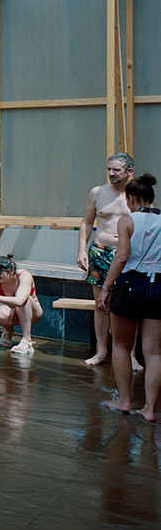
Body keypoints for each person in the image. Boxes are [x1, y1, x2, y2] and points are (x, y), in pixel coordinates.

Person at [97, 173, 161, 422]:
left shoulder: (127, 221)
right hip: (158, 286)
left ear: (130, 198)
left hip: (130, 284)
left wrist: (105, 288)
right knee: (154, 352)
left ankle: (124, 401)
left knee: (122, 346)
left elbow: (121, 257)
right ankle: (149, 409)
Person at [78, 152, 136, 366]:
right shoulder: (97, 192)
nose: (111, 173)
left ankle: (129, 354)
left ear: (129, 172)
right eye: (109, 169)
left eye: (116, 170)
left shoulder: (135, 194)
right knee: (100, 303)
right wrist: (81, 250)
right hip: (100, 252)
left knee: (129, 305)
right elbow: (86, 222)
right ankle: (101, 351)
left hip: (128, 254)